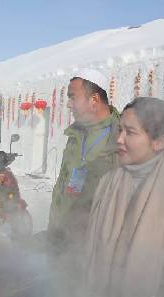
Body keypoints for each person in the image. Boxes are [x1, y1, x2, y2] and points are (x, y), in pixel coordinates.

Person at [85, 97, 164, 297]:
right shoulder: (108, 183)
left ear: (159, 141)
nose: (119, 140)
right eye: (120, 130)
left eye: (130, 132)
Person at [46, 69, 120, 254]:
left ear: (94, 99)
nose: (69, 105)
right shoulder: (76, 134)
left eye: (73, 98)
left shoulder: (122, 136)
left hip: (93, 246)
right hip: (60, 237)